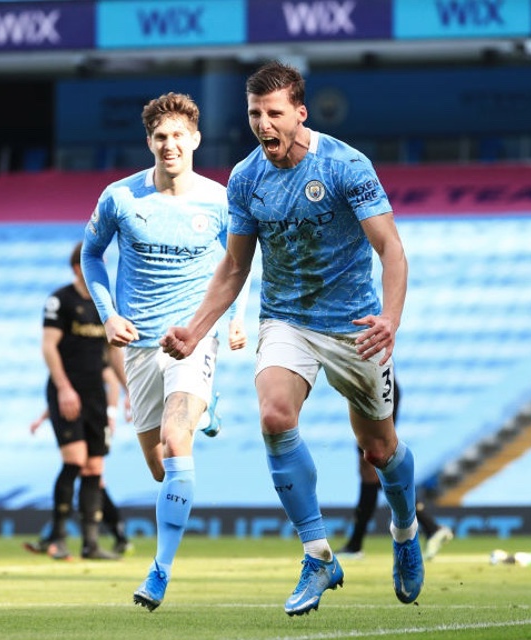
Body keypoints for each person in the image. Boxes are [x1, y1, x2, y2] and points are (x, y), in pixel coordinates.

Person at [160, 61, 424, 616]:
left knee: (380, 449)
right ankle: (319, 554)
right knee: (275, 416)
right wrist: (195, 328)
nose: (262, 123)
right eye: (254, 113)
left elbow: (391, 249)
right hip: (286, 320)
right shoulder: (246, 178)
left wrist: (391, 318)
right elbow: (234, 268)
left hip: (355, 325)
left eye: (273, 112)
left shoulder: (346, 165)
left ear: (300, 113)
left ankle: (405, 530)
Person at [80, 92, 249, 611]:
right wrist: (108, 313)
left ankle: (160, 570)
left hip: (192, 338)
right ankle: (207, 407)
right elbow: (91, 254)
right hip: (140, 346)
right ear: (149, 142)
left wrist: (238, 318)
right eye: (160, 137)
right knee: (160, 467)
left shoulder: (220, 200)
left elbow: (242, 261)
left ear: (195, 140)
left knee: (178, 442)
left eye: (179, 136)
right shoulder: (120, 198)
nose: (169, 145)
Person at [23, 242, 132, 561]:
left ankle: (90, 544)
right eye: (95, 262)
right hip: (66, 390)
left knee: (94, 467)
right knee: (74, 460)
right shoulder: (61, 300)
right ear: (78, 267)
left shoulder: (106, 305)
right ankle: (56, 537)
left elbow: (113, 353)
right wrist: (64, 389)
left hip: (95, 393)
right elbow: (49, 347)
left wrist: (129, 391)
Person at [336, 382, 453, 562]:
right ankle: (431, 528)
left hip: (376, 391)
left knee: (374, 465)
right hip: (372, 391)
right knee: (371, 470)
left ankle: (355, 545)